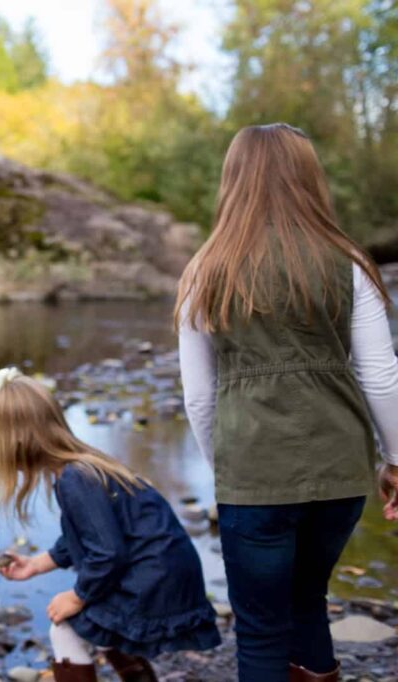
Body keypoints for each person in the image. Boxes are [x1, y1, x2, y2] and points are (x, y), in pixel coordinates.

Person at [175, 123, 398, 682]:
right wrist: (395, 459)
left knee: (260, 628)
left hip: (253, 474)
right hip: (339, 472)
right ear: (309, 178)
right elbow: (380, 375)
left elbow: (199, 397)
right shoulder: (347, 260)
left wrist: (227, 467)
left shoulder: (205, 271)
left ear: (232, 181)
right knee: (308, 601)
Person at [0, 367, 221, 682]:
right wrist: (37, 564)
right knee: (104, 626)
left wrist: (78, 595)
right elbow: (88, 535)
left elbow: (108, 553)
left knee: (65, 628)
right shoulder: (84, 466)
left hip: (152, 577)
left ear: (16, 443)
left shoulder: (74, 479)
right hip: (164, 568)